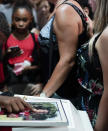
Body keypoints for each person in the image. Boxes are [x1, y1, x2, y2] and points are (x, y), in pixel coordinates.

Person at [38, 0, 90, 98]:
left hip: (62, 92)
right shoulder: (60, 7)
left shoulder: (65, 11)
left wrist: (43, 95)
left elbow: (68, 60)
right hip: (55, 88)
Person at [76, 0, 108, 130]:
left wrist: (99, 128)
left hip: (97, 117)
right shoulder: (103, 32)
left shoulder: (106, 36)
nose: (89, 1)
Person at [5, 1, 41, 96]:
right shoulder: (6, 37)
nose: (21, 23)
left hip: (29, 79)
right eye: (17, 19)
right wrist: (7, 54)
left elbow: (42, 63)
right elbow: (0, 61)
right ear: (12, 19)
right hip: (10, 79)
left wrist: (30, 68)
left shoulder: (35, 37)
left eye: (25, 20)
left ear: (31, 19)